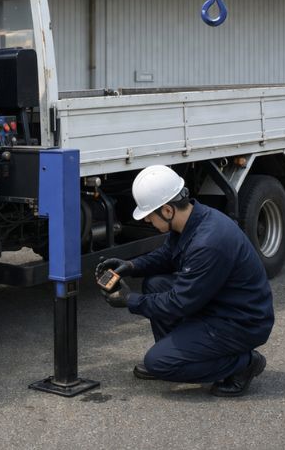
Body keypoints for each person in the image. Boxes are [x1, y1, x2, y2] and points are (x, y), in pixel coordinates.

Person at [96, 165, 274, 397]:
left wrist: (130, 300)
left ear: (168, 210)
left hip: (241, 322)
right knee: (155, 284)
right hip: (219, 305)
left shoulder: (208, 242)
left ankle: (244, 363)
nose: (149, 221)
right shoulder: (192, 220)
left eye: (150, 215)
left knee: (158, 362)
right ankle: (177, 355)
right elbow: (167, 255)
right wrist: (130, 266)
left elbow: (179, 303)